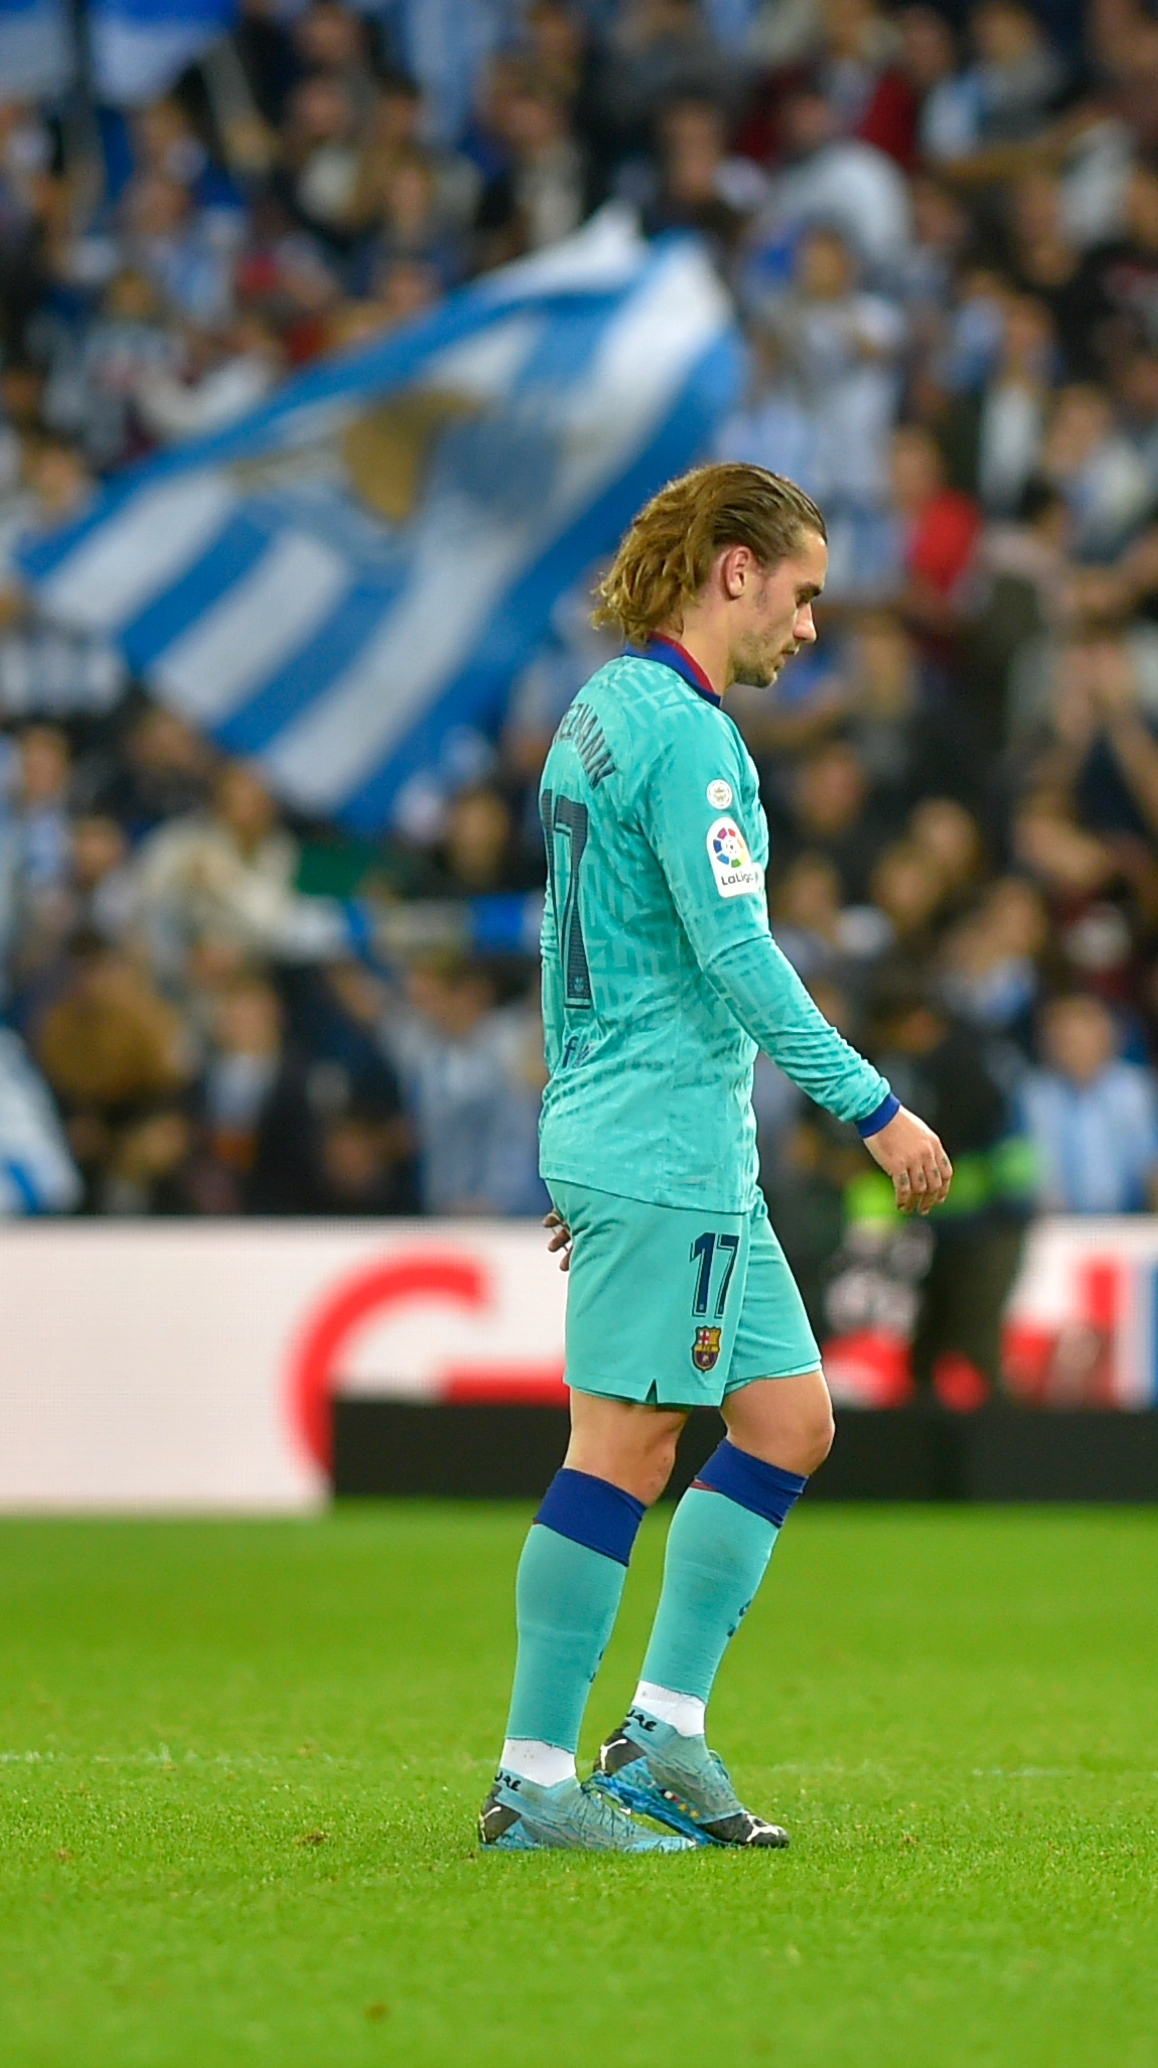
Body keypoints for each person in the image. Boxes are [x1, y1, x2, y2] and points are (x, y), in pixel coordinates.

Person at [487, 462, 951, 1855]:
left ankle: (663, 1733)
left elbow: (578, 944)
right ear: (732, 568)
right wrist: (877, 1108)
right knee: (625, 1449)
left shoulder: (598, 711)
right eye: (802, 593)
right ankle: (530, 1778)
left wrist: (580, 1136)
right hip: (665, 1142)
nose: (810, 627)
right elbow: (734, 950)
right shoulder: (690, 740)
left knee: (789, 1420)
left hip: (660, 1139)